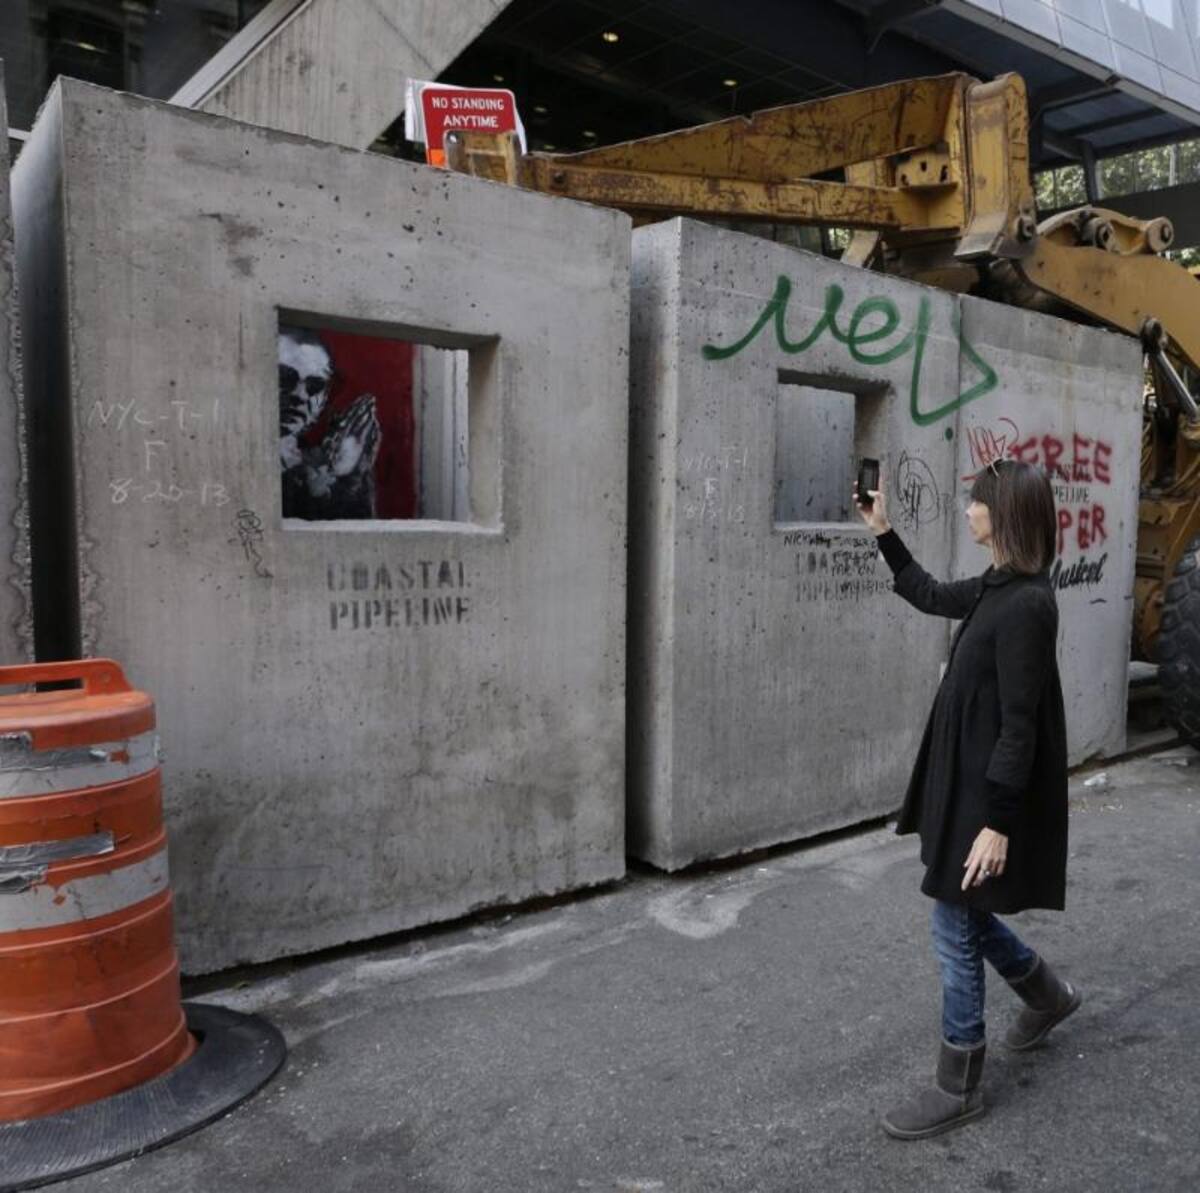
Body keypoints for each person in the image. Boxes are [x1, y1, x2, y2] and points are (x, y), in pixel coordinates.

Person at [854, 458, 1080, 1140]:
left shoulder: (1030, 607)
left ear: (1005, 512)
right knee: (967, 916)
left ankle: (960, 1084)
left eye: (978, 502)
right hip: (965, 787)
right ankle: (1047, 993)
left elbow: (1021, 725)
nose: (969, 510)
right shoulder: (996, 586)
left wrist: (998, 824)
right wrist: (884, 532)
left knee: (953, 929)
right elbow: (924, 591)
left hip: (987, 799)